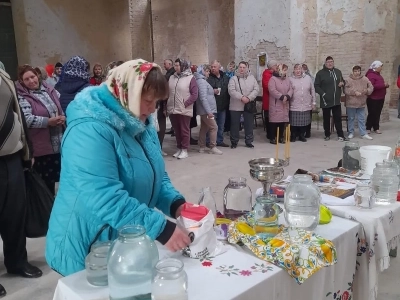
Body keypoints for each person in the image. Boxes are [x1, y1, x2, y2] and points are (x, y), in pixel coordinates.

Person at [45, 59, 190, 276]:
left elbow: (154, 175)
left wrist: (175, 203)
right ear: (126, 92)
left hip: (124, 239)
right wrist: (160, 228)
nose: (152, 109)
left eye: (157, 102)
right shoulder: (89, 129)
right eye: (148, 100)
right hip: (90, 245)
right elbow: (104, 196)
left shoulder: (139, 121)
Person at [0, 63, 43, 298]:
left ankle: (17, 262)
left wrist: (28, 152)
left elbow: (16, 114)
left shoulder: (2, 73)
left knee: (14, 214)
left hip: (11, 157)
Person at [16, 65, 64, 195]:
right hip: (41, 149)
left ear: (37, 76)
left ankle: (53, 207)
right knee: (44, 184)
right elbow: (26, 118)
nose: (31, 81)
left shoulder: (49, 90)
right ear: (21, 81)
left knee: (56, 180)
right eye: (27, 79)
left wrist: (62, 117)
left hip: (57, 143)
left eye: (32, 77)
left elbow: (59, 106)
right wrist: (48, 122)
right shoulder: (22, 96)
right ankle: (46, 210)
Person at [167, 59, 199, 159]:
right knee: (176, 130)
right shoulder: (172, 77)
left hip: (184, 108)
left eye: (178, 65)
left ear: (183, 66)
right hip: (172, 107)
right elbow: (168, 91)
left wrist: (185, 103)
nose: (176, 67)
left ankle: (185, 149)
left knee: (184, 130)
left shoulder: (190, 78)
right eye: (175, 65)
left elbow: (195, 94)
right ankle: (179, 148)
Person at [314, 56, 348, 142]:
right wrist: (323, 94)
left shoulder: (338, 72)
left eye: (331, 61)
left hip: (336, 100)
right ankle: (327, 134)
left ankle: (341, 135)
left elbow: (343, 81)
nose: (330, 63)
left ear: (333, 62)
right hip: (326, 100)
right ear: (325, 63)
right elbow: (316, 86)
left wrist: (342, 83)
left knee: (338, 118)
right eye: (328, 62)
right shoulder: (320, 73)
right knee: (326, 119)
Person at [228, 61, 259, 149]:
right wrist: (241, 97)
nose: (242, 69)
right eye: (240, 67)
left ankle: (249, 141)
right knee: (235, 124)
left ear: (247, 68)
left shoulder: (252, 78)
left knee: (249, 124)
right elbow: (231, 90)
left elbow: (256, 89)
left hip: (248, 104)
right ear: (238, 68)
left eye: (243, 67)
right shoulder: (233, 78)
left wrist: (249, 98)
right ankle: (234, 141)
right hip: (235, 105)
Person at [194, 65, 222, 155]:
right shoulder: (201, 81)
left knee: (204, 128)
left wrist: (212, 91)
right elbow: (203, 98)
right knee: (214, 127)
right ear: (202, 71)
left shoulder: (201, 81)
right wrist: (209, 112)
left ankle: (202, 147)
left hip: (204, 110)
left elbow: (205, 93)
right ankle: (213, 147)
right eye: (207, 71)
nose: (209, 73)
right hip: (206, 110)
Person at [344, 65, 374, 140]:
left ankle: (363, 133)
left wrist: (366, 91)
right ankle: (351, 132)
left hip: (361, 102)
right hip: (351, 103)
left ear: (360, 71)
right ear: (353, 71)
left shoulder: (365, 79)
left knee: (362, 119)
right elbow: (345, 90)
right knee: (351, 118)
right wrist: (354, 92)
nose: (357, 73)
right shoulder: (348, 79)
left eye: (358, 71)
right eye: (355, 71)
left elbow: (371, 87)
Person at [289, 64, 316, 142]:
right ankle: (293, 135)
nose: (298, 71)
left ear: (302, 70)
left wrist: (313, 102)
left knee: (304, 121)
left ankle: (301, 135)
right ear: (294, 70)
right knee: (294, 122)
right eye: (296, 69)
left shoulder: (308, 78)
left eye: (299, 69)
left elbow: (312, 90)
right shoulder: (290, 79)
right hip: (294, 104)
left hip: (306, 103)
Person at [207, 60, 230, 147]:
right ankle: (209, 141)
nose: (212, 68)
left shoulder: (225, 77)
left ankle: (219, 141)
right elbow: (204, 91)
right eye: (211, 67)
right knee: (211, 125)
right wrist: (212, 91)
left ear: (219, 67)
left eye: (214, 67)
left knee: (221, 125)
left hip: (223, 105)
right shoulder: (209, 78)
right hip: (212, 106)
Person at [268, 64, 293, 144]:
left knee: (282, 121)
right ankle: (273, 137)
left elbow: (291, 88)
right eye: (284, 70)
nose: (286, 71)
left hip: (284, 103)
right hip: (276, 102)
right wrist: (282, 97)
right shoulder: (273, 79)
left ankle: (281, 137)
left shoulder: (287, 79)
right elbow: (272, 90)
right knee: (274, 121)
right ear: (280, 70)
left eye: (286, 70)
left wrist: (288, 96)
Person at [365, 61, 389, 134]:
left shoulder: (378, 75)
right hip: (373, 98)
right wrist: (383, 85)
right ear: (376, 67)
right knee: (372, 113)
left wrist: (386, 85)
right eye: (380, 66)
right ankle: (368, 127)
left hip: (380, 97)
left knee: (378, 113)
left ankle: (376, 127)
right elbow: (371, 86)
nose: (381, 68)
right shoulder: (371, 75)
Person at [157, 59, 175, 155]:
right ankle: (157, 148)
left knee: (161, 128)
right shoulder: (166, 76)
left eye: (165, 64)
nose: (164, 65)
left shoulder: (170, 74)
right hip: (157, 107)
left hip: (161, 106)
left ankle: (159, 147)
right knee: (158, 128)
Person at [262, 60, 278, 140]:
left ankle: (274, 133)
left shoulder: (274, 74)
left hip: (274, 99)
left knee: (273, 117)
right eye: (275, 65)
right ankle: (269, 134)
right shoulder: (266, 74)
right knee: (268, 117)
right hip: (268, 99)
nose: (277, 67)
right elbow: (267, 86)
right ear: (271, 67)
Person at [302, 63, 315, 138]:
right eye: (303, 68)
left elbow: (312, 88)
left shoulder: (310, 77)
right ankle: (300, 132)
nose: (304, 69)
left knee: (308, 117)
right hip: (300, 100)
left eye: (305, 68)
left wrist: (313, 101)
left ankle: (307, 132)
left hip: (308, 99)